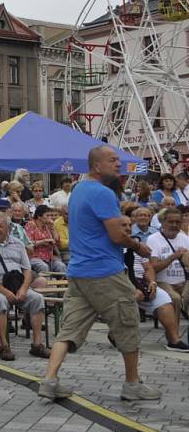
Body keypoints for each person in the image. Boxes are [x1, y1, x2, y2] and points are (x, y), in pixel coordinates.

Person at [39, 145, 161, 402]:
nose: (118, 164)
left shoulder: (79, 190)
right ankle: (132, 384)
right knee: (127, 325)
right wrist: (140, 247)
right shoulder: (103, 193)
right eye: (113, 160)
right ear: (97, 165)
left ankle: (49, 380)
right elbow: (117, 235)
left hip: (79, 271)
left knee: (69, 329)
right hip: (104, 271)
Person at [0, 211, 49, 361]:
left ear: (8, 227)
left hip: (17, 285)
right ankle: (4, 345)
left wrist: (23, 289)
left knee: (37, 298)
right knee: (1, 301)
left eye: (0, 226)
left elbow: (27, 269)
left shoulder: (18, 244)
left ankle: (37, 344)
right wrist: (4, 291)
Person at [120, 214, 188, 352]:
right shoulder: (112, 246)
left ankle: (174, 340)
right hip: (122, 283)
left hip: (143, 282)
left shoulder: (137, 244)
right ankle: (116, 335)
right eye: (123, 225)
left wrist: (152, 282)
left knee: (165, 301)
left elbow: (148, 267)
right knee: (134, 298)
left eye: (129, 225)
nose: (128, 228)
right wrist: (131, 288)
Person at [146, 207, 189, 323]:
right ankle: (174, 336)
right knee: (175, 298)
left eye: (178, 222)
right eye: (171, 222)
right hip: (162, 282)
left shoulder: (185, 238)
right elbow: (154, 267)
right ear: (162, 222)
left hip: (183, 281)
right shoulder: (153, 239)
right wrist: (173, 256)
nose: (174, 225)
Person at [25, 205, 67, 274]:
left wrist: (53, 227)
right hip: (35, 256)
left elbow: (57, 241)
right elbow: (28, 243)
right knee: (43, 266)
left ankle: (62, 284)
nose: (50, 218)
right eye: (47, 215)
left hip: (49, 257)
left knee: (61, 266)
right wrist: (43, 241)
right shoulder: (31, 225)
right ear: (39, 216)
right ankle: (45, 284)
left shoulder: (48, 226)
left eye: (50, 215)